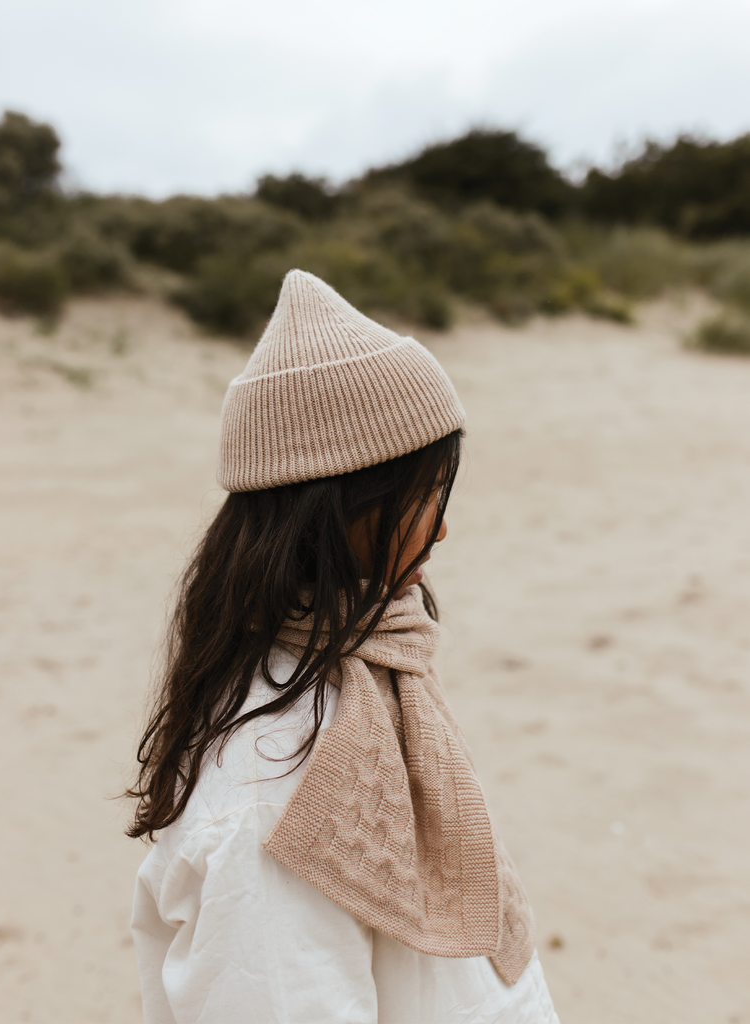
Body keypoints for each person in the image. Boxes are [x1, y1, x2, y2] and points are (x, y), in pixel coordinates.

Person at [128, 270, 560, 1024]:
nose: (443, 528)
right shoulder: (270, 787)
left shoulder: (373, 674)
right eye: (424, 496)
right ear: (337, 509)